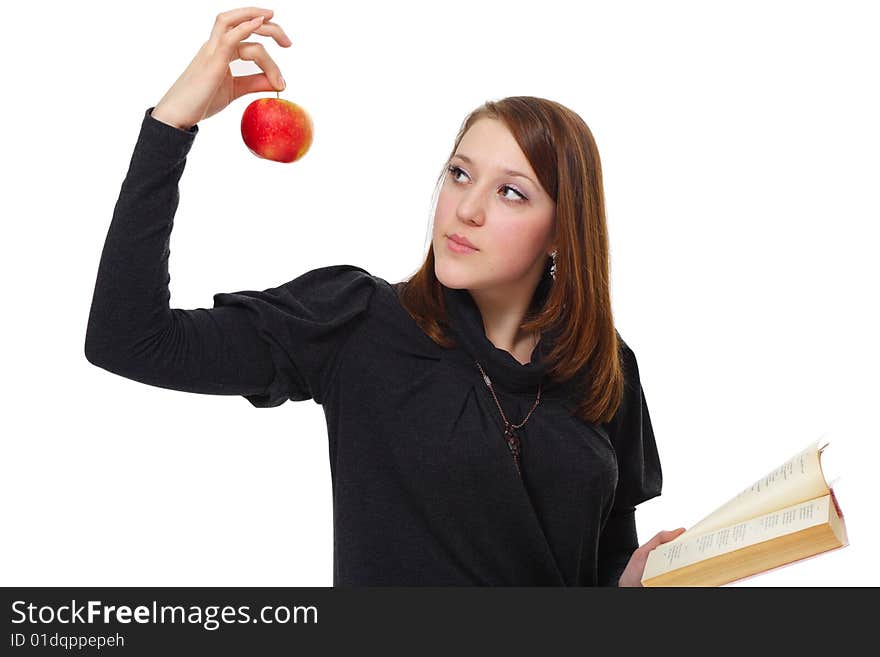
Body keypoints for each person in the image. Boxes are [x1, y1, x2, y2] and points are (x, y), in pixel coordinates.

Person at [85, 6, 685, 586]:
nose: (466, 209)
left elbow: (600, 567)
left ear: (562, 229)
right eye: (459, 174)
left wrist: (630, 590)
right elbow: (129, 339)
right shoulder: (358, 321)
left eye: (510, 193)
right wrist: (172, 124)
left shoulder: (604, 365)